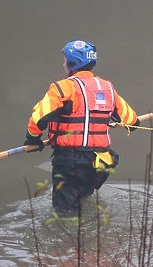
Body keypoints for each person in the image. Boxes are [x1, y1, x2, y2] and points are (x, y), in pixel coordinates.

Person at [24, 40, 140, 222]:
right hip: (101, 162)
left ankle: (69, 249)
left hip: (71, 162)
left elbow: (39, 117)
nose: (63, 64)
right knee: (83, 201)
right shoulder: (107, 88)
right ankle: (90, 246)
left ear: (72, 64)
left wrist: (32, 138)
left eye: (65, 60)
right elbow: (132, 121)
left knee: (64, 216)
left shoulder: (63, 88)